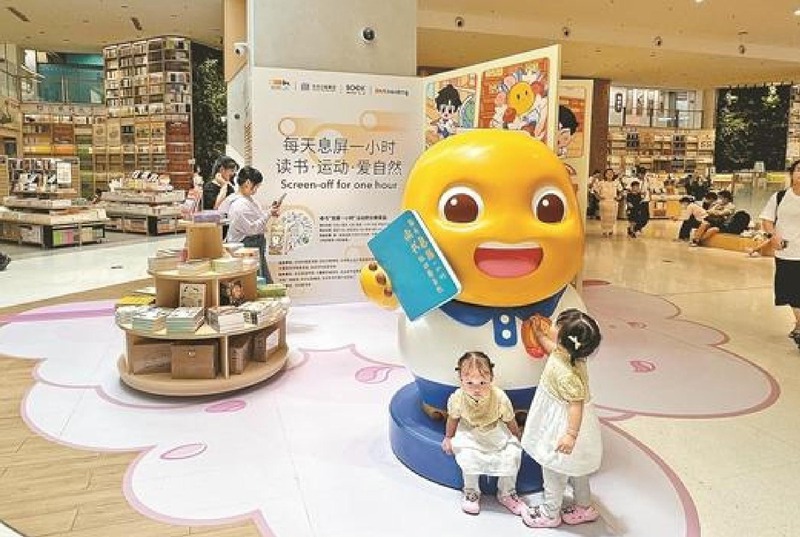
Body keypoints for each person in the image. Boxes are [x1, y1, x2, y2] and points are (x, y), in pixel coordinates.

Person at [520, 309, 603, 528]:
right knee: (577, 469)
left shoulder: (569, 375)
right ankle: (584, 507)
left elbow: (576, 405)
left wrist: (570, 435)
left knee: (554, 470)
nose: (552, 325)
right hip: (573, 426)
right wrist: (539, 336)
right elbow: (553, 350)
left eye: (556, 325)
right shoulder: (570, 355)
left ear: (565, 338)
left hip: (563, 426)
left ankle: (550, 513)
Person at [441, 351, 525, 517]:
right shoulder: (458, 397)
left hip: (495, 429)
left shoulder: (499, 397)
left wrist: (516, 436)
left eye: (482, 382)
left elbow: (509, 419)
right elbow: (453, 418)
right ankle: (471, 491)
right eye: (469, 383)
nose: (476, 388)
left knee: (512, 454)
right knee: (468, 457)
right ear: (461, 380)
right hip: (470, 430)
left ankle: (507, 492)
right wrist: (449, 437)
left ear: (491, 378)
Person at [758, 159, 800, 347]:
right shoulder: (780, 197)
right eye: (798, 170)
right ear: (792, 173)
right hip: (786, 253)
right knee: (789, 292)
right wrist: (772, 236)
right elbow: (767, 219)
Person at [218, 166, 281, 283]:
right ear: (248, 183)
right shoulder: (239, 205)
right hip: (247, 248)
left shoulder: (246, 199)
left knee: (260, 280)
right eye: (256, 186)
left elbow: (257, 218)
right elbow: (252, 229)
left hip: (252, 247)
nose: (256, 190)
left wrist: (270, 212)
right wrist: (268, 213)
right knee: (255, 282)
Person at [596, 168, 621, 237]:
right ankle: (604, 230)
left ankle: (610, 229)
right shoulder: (601, 183)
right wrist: (598, 197)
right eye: (608, 173)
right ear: (605, 174)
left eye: (611, 173)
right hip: (604, 202)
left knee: (612, 217)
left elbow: (621, 191)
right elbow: (594, 190)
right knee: (604, 217)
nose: (610, 174)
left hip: (613, 202)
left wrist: (619, 197)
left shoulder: (616, 182)